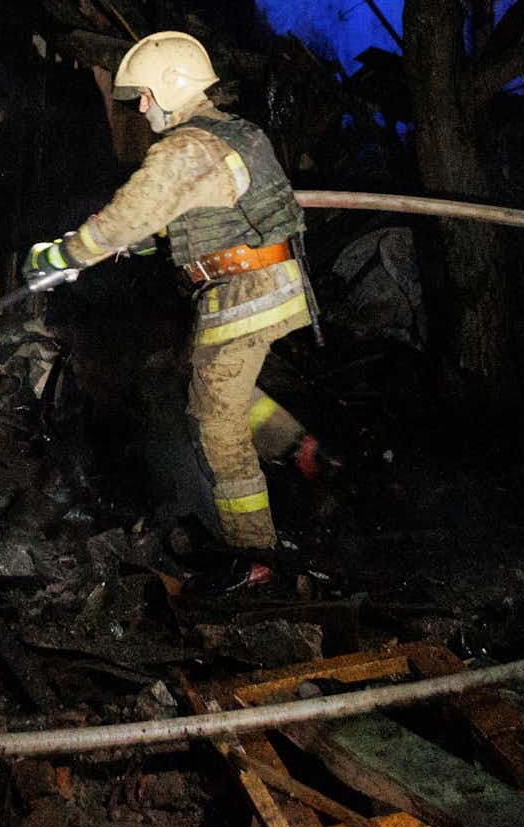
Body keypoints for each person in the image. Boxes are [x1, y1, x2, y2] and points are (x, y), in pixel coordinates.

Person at [23, 31, 318, 560]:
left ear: (168, 87)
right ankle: (299, 448)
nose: (139, 105)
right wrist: (145, 243)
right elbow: (198, 213)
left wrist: (63, 257)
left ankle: (255, 557)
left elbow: (125, 217)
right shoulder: (225, 133)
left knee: (216, 426)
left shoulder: (186, 148)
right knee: (202, 376)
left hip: (243, 293)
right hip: (261, 286)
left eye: (143, 95)